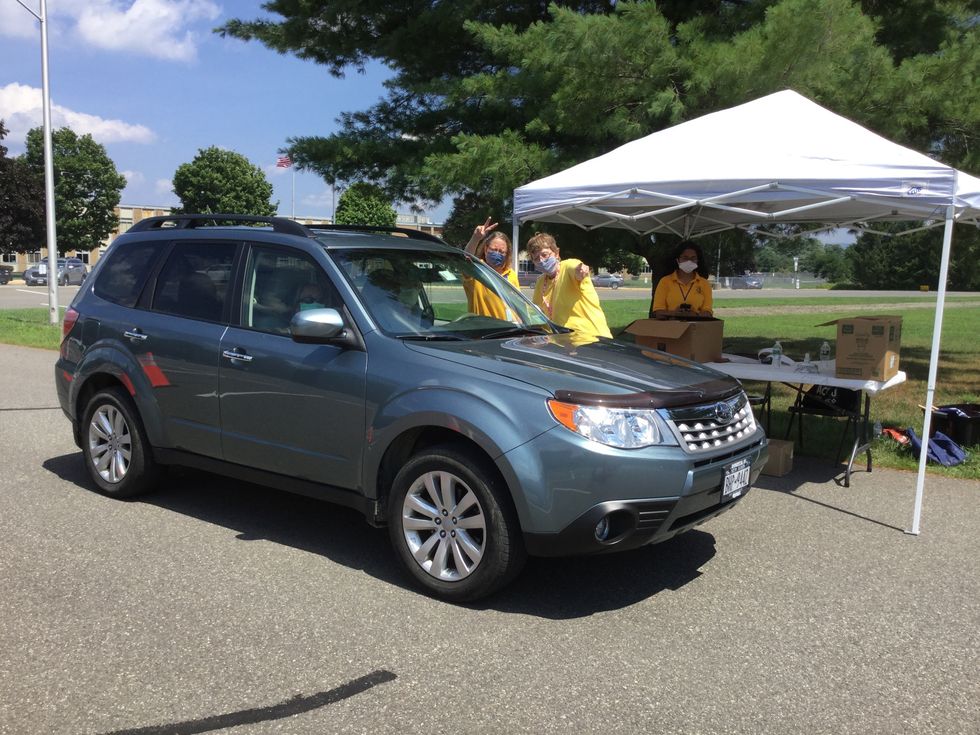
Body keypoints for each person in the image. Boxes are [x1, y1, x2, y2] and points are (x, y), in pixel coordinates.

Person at [527, 232, 611, 339]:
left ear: (556, 253)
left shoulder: (568, 266)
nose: (541, 261)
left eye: (545, 255)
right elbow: (537, 314)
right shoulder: (540, 282)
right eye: (536, 258)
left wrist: (579, 271)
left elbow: (575, 268)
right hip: (564, 341)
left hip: (590, 338)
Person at [462, 218, 519, 320]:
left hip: (509, 331)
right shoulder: (476, 270)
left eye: (502, 252)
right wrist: (476, 238)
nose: (497, 253)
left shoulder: (511, 275)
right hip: (484, 332)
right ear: (485, 249)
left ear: (507, 254)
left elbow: (519, 306)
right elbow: (466, 259)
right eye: (494, 249)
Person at [650, 240, 713, 319]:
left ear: (697, 261)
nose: (689, 261)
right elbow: (658, 312)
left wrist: (694, 314)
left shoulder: (704, 283)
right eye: (685, 258)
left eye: (693, 258)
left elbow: (708, 313)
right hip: (669, 328)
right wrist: (675, 314)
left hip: (696, 328)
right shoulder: (665, 281)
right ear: (677, 260)